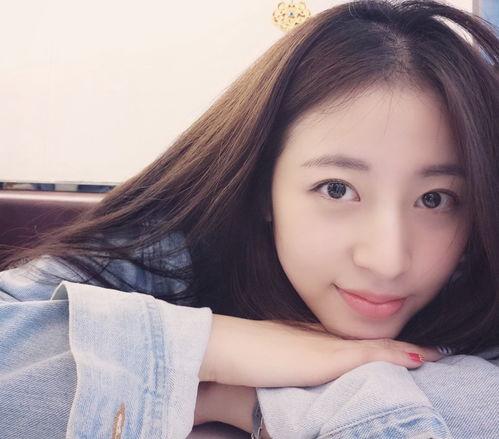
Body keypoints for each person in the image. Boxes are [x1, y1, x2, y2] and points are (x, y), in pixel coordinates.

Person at [1, 0, 498, 438]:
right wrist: (216, 345)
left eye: (434, 199)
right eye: (337, 189)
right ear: (264, 187)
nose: (387, 260)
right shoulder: (176, 251)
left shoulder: (481, 279)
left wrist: (239, 400)